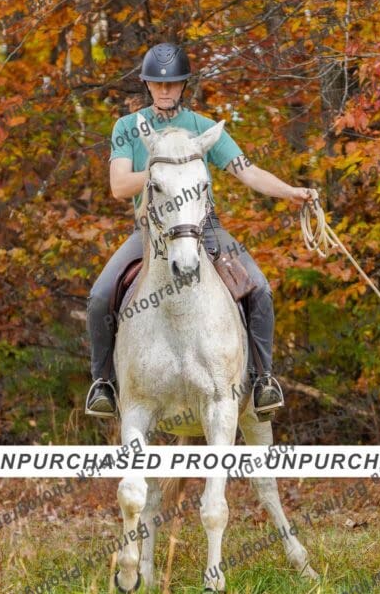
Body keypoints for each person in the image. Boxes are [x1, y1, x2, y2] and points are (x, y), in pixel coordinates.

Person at [85, 42, 314, 418]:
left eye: (172, 83)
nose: (165, 90)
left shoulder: (204, 128)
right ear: (147, 84)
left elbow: (248, 172)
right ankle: (104, 383)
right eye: (158, 84)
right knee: (99, 296)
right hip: (151, 230)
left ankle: (262, 380)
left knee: (259, 287)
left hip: (204, 227)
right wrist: (165, 170)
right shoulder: (127, 128)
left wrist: (292, 192)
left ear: (183, 85)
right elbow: (119, 185)